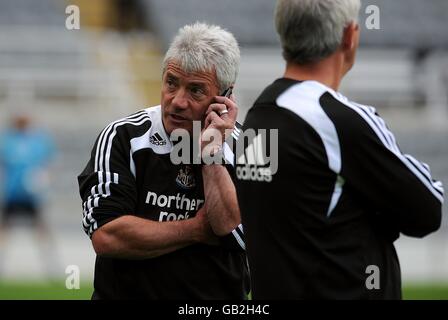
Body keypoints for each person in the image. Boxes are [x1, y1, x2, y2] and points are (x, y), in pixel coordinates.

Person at [235, 0, 444, 299]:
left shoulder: (258, 116)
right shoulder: (336, 120)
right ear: (349, 36)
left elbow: (307, 219)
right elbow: (428, 209)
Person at [77, 22, 249, 299]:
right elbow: (108, 236)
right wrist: (194, 229)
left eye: (195, 90)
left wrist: (210, 154)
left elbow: (234, 231)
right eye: (171, 82)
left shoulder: (250, 145)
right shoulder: (122, 137)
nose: (177, 101)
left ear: (225, 96)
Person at [0, 115, 57, 277]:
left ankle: (50, 265)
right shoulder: (7, 141)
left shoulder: (38, 142)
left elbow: (47, 166)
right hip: (12, 193)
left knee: (41, 229)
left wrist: (42, 181)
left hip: (32, 196)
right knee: (4, 230)